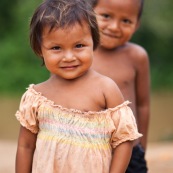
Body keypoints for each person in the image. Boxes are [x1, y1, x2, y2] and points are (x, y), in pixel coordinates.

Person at [15, 0, 142, 172]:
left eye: (79, 46)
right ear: (40, 50)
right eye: (56, 48)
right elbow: (25, 146)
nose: (69, 57)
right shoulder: (37, 97)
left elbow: (124, 140)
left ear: (94, 43)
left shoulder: (106, 89)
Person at [90, 0, 150, 172]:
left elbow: (143, 104)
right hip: (88, 149)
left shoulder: (137, 56)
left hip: (129, 150)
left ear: (137, 24)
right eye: (106, 16)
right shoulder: (78, 53)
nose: (115, 27)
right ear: (89, 13)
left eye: (126, 21)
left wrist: (141, 145)